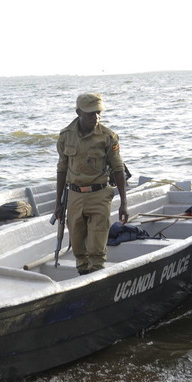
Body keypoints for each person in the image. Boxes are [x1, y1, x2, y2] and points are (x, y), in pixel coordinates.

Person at [54, 93, 128, 274]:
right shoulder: (66, 136)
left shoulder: (108, 136)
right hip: (75, 196)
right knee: (78, 247)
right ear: (78, 112)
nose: (96, 117)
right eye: (90, 114)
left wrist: (124, 204)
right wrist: (58, 203)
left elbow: (118, 169)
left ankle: (96, 277)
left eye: (98, 113)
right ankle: (83, 276)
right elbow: (62, 169)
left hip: (99, 195)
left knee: (96, 249)